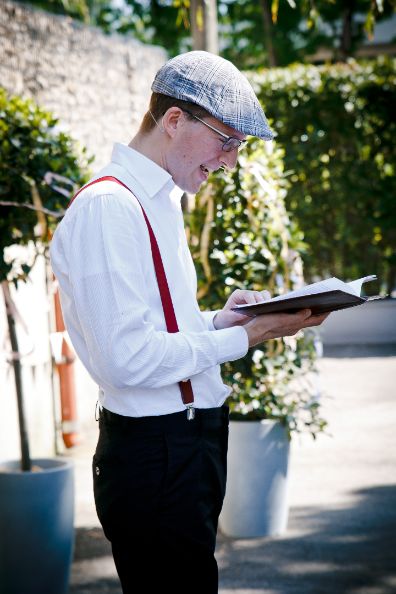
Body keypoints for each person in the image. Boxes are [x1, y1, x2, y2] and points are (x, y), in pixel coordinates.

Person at [50, 51, 328, 594]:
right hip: (155, 455)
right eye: (228, 142)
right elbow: (126, 358)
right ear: (174, 121)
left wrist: (219, 320)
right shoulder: (110, 207)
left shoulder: (159, 202)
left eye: (238, 148)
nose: (230, 163)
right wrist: (242, 337)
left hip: (182, 447)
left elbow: (157, 328)